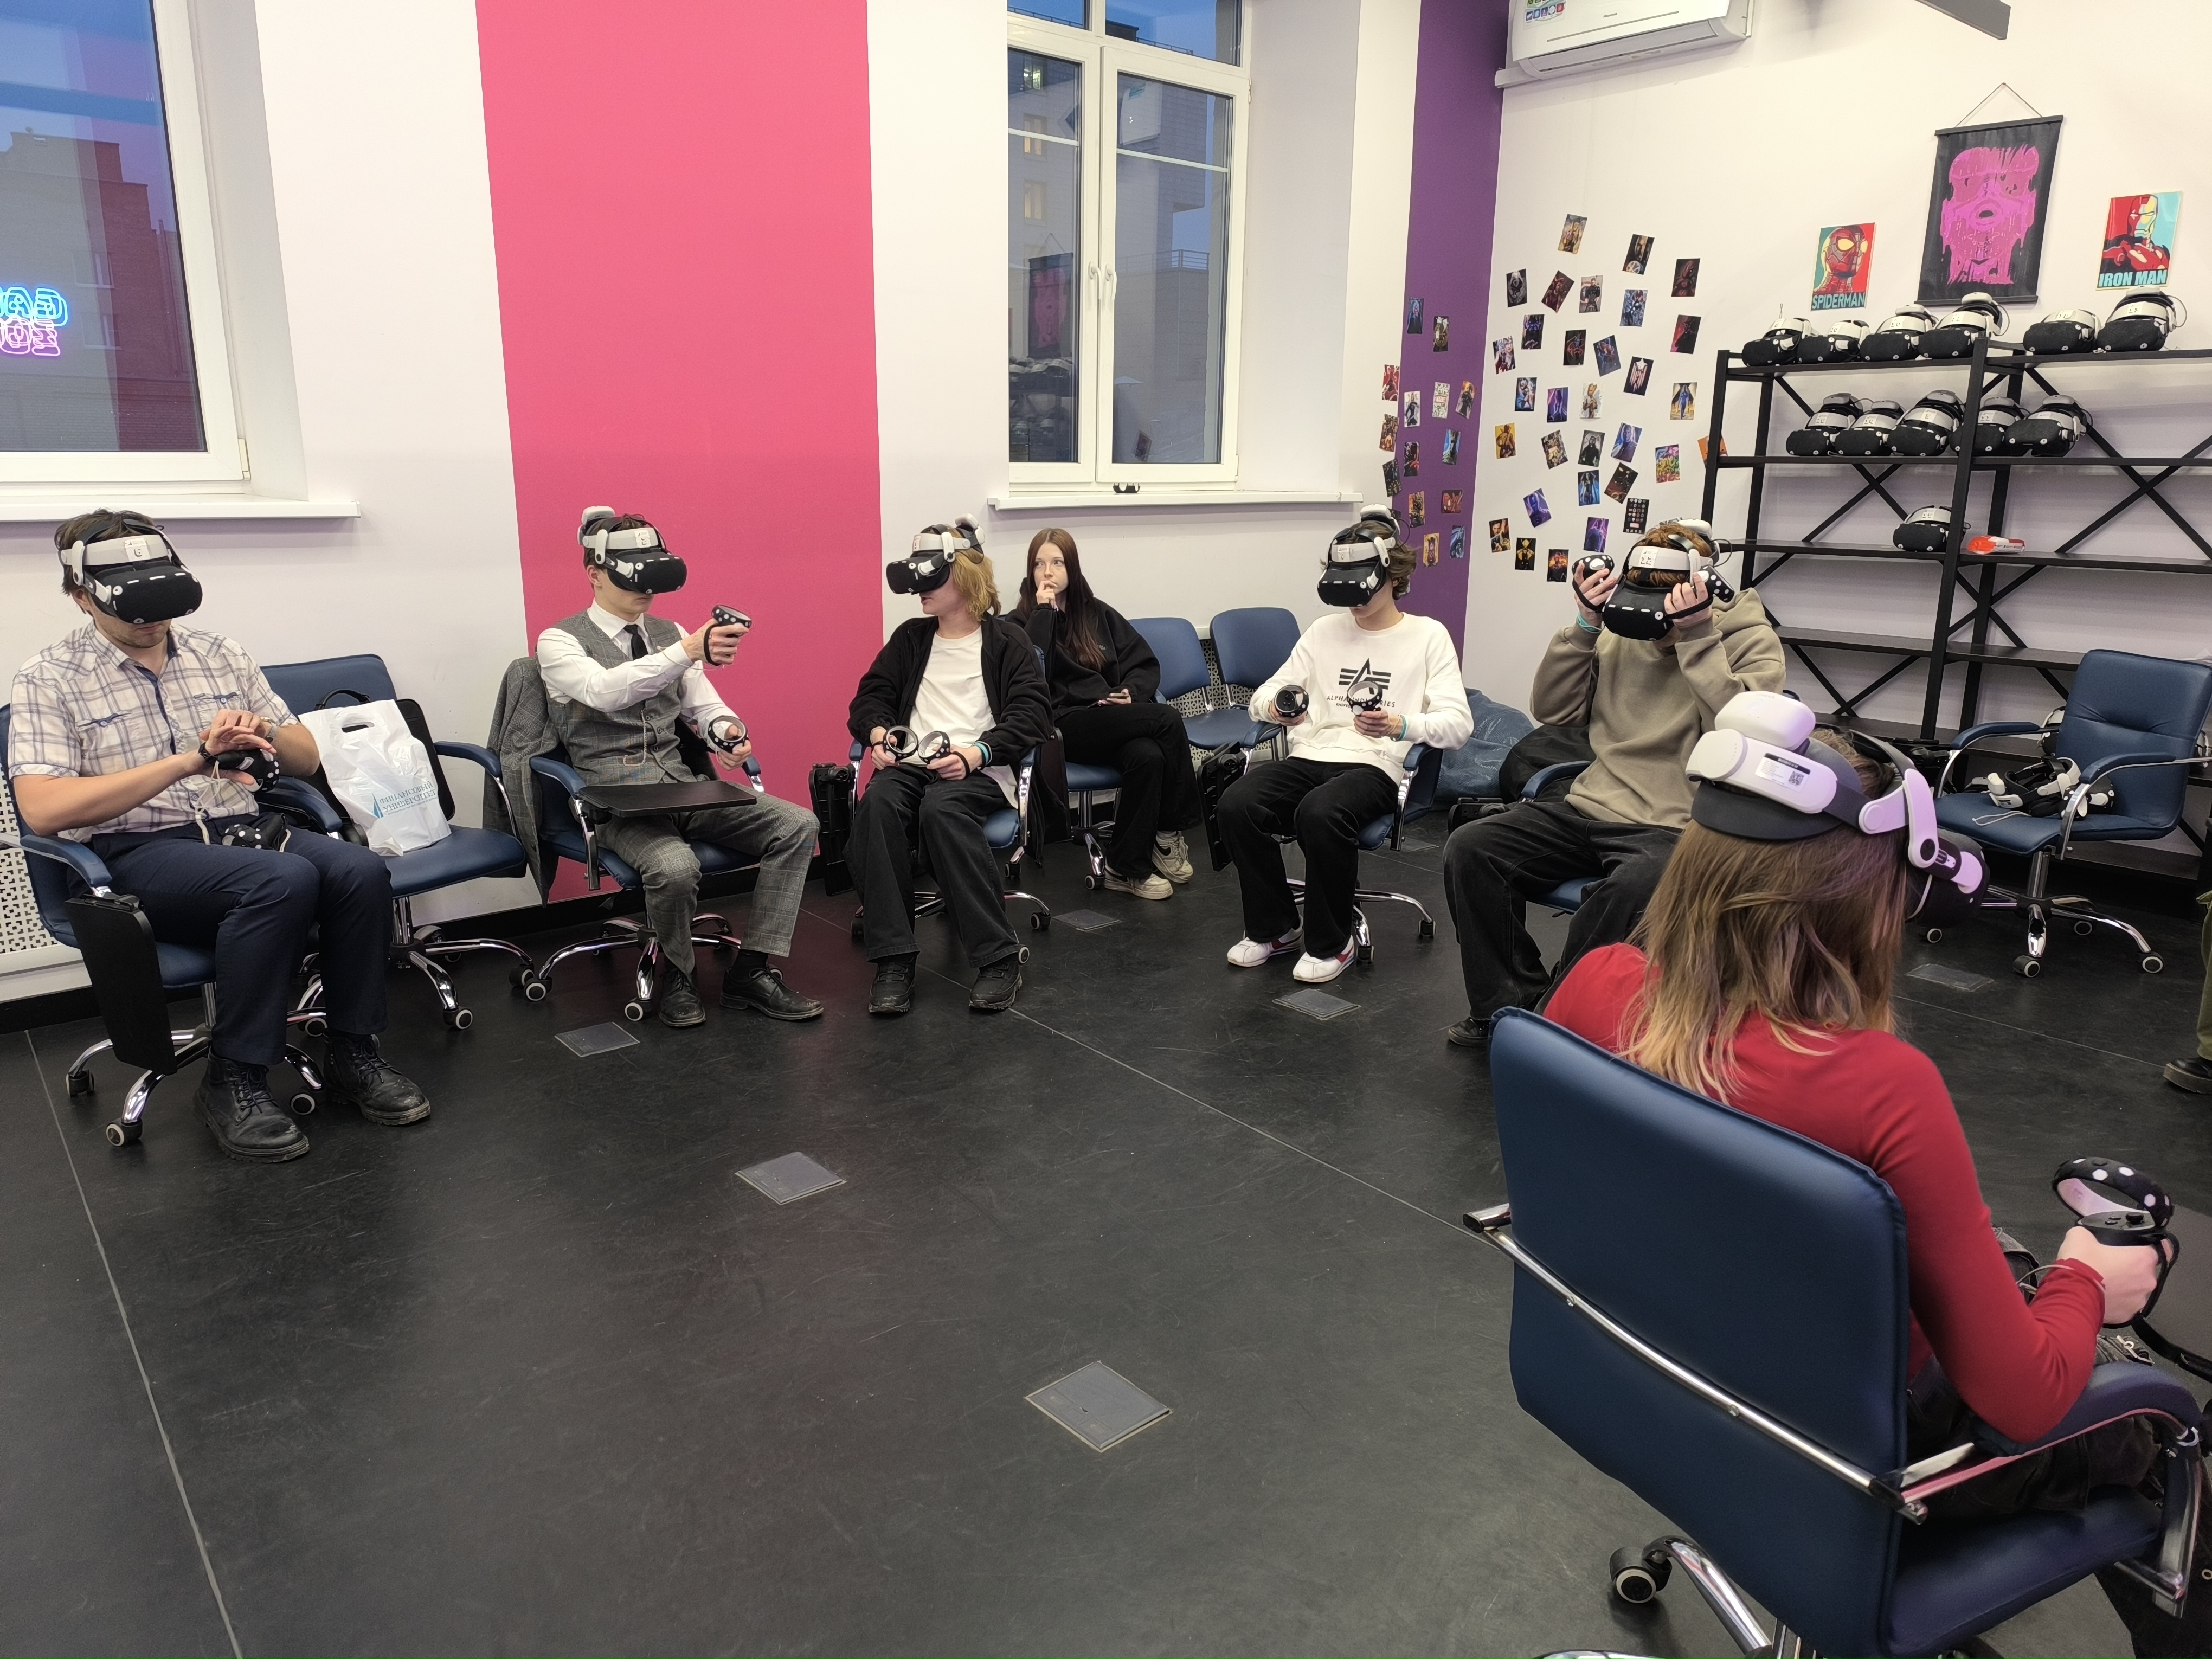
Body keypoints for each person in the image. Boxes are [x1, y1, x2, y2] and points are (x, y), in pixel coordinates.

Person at [1546, 698, 2207, 1659]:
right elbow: (2024, 1401)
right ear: (1875, 897)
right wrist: (2084, 1282)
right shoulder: (1878, 1088)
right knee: (2154, 1428)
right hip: (1865, 1448)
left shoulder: (1597, 983)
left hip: (1654, 1389)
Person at [9, 510, 429, 1161]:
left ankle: (353, 1052)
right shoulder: (50, 677)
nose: (150, 622)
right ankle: (233, 1078)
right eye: (131, 609)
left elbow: (305, 759)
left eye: (161, 604)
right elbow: (42, 811)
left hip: (240, 831)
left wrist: (263, 729)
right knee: (281, 880)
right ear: (81, 596)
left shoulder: (220, 653)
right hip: (134, 853)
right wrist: (188, 762)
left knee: (358, 870)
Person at [1441, 520, 1783, 1050]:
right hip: (1592, 799)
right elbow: (1553, 711)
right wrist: (1584, 627)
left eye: (1658, 601)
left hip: (1680, 819)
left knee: (1633, 889)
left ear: (1698, 589)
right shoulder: (1622, 630)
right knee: (1472, 848)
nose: (1645, 613)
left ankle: (1559, 1020)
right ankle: (1506, 1004)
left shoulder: (1748, 639)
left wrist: (1697, 639)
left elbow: (1743, 737)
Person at [536, 507, 823, 1030]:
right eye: (631, 575)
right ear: (594, 573)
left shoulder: (668, 632)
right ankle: (679, 975)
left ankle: (751, 970)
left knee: (797, 825)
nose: (645, 589)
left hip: (683, 787)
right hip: (617, 801)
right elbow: (605, 692)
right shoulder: (559, 641)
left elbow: (704, 707)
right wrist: (687, 650)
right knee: (674, 868)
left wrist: (727, 733)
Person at [1220, 507, 1472, 986]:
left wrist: (1400, 724)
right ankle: (1276, 928)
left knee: (1321, 811)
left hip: (1375, 765)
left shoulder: (1427, 636)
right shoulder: (1323, 631)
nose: (1352, 602)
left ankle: (1333, 942)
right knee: (1237, 804)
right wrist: (1279, 708)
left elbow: (1458, 726)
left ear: (1393, 577)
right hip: (1311, 754)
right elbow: (1261, 698)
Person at [847, 519, 1053, 1016]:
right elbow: (870, 698)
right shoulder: (911, 639)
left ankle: (999, 958)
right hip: (912, 763)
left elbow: (1032, 716)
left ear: (963, 578)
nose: (919, 591)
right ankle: (893, 959)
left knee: (941, 810)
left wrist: (975, 753)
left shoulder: (1007, 642)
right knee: (877, 804)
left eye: (930, 580)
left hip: (979, 768)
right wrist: (878, 735)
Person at [1012, 528, 1198, 901]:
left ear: (1072, 567)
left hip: (1107, 717)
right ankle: (1168, 831)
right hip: (1062, 724)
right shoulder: (1020, 622)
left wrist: (1130, 693)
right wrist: (1045, 613)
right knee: (1167, 719)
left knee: (1147, 755)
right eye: (1039, 564)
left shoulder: (1096, 613)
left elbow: (1142, 662)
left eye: (1057, 563)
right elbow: (1032, 672)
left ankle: (1125, 868)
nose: (1047, 572)